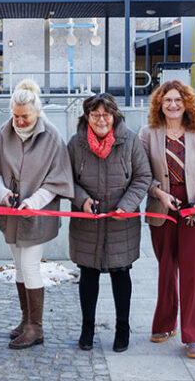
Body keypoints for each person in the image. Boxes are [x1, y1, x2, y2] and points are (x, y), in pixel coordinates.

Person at [0, 79, 74, 349]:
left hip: (38, 214)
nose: (19, 121)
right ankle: (25, 319)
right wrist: (2, 191)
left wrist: (35, 201)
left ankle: (36, 327)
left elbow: (58, 178)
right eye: (15, 116)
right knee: (18, 266)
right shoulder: (5, 132)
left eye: (24, 116)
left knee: (29, 265)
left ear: (36, 112)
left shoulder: (52, 136)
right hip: (11, 212)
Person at [139, 80, 195, 359]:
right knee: (166, 267)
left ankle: (194, 335)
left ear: (187, 103)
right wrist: (158, 193)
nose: (172, 105)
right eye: (167, 100)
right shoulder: (147, 134)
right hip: (162, 207)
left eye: (178, 100)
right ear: (159, 104)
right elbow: (141, 174)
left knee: (194, 273)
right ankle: (165, 323)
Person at [67, 93, 151, 353]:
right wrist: (81, 200)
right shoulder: (75, 144)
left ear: (114, 116)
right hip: (87, 221)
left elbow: (142, 176)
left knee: (121, 273)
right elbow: (66, 179)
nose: (101, 120)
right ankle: (87, 328)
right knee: (88, 274)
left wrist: (126, 205)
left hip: (121, 221)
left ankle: (122, 328)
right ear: (87, 117)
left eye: (106, 114)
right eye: (95, 115)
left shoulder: (130, 141)